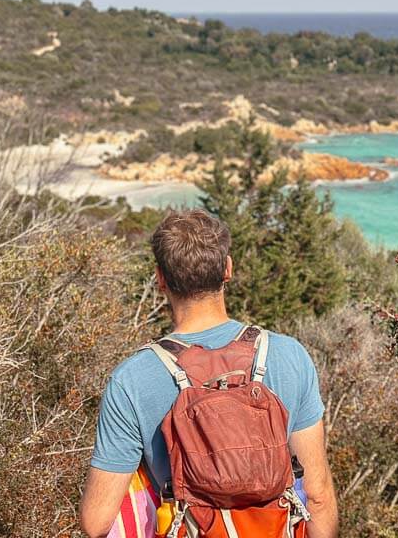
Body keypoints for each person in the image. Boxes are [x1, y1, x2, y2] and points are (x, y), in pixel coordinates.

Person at [79, 209, 338, 538]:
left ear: (160, 278)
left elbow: (96, 522)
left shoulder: (132, 379)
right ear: (227, 269)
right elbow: (317, 496)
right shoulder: (289, 355)